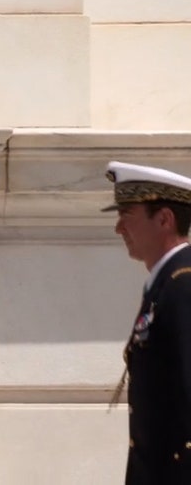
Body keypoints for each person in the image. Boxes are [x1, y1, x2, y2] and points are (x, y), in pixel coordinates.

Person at [101, 161, 191, 484]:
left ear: (164, 219)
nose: (118, 228)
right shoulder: (165, 283)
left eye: (127, 216)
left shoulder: (182, 285)